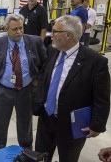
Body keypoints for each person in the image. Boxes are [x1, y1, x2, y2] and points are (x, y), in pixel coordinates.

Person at [34, 15, 110, 162]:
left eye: (55, 31)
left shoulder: (95, 62)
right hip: (46, 118)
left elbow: (102, 98)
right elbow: (44, 76)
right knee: (40, 157)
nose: (51, 35)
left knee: (68, 158)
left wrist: (97, 125)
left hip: (72, 124)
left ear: (68, 35)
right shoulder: (52, 51)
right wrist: (39, 99)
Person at [0, 13, 46, 150]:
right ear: (6, 28)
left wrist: (37, 83)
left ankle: (26, 150)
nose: (19, 32)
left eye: (21, 28)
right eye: (14, 29)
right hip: (2, 90)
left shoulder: (35, 42)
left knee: (25, 124)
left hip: (25, 90)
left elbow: (44, 65)